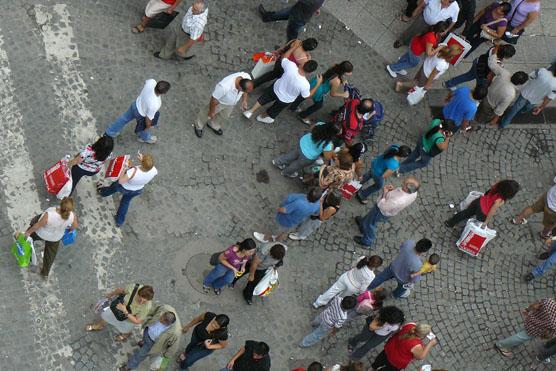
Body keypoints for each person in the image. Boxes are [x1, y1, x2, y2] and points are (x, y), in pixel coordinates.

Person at [243, 40, 319, 124]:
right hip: (286, 99)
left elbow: (284, 54)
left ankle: (250, 111)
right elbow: (307, 95)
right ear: (309, 72)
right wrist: (318, 83)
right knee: (274, 109)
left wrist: (289, 49)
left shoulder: (293, 58)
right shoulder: (305, 83)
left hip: (279, 75)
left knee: (265, 96)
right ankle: (261, 117)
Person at [354, 177, 420, 248]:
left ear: (407, 189)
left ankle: (367, 240)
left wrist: (385, 192)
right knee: (369, 217)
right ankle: (363, 224)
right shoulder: (414, 192)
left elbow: (382, 206)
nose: (402, 181)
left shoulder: (398, 200)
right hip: (388, 208)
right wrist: (392, 191)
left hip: (381, 211)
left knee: (370, 224)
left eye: (404, 183)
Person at [97, 153, 158, 227]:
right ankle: (119, 221)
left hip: (124, 187)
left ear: (142, 163)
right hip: (137, 189)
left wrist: (124, 169)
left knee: (113, 188)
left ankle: (103, 192)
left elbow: (121, 181)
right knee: (125, 203)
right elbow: (146, 168)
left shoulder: (133, 171)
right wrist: (143, 160)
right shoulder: (153, 170)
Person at [24, 197, 78, 278]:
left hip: (41, 233)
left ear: (61, 203)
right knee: (50, 255)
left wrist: (28, 232)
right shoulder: (72, 216)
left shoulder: (50, 214)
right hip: (55, 237)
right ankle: (45, 273)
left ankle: (23, 249)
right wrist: (69, 230)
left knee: (29, 236)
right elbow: (74, 226)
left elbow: (38, 225)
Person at [104, 79, 171, 144]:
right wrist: (148, 127)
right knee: (143, 127)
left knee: (123, 119)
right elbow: (148, 118)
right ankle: (145, 138)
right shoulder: (156, 104)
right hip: (141, 114)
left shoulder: (152, 82)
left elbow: (146, 83)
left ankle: (110, 132)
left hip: (135, 104)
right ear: (164, 93)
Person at [118, 307, 181, 371]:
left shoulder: (175, 334)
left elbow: (173, 349)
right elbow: (152, 310)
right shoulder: (164, 308)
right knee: (144, 339)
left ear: (167, 324)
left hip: (152, 343)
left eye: (162, 320)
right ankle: (144, 342)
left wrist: (164, 361)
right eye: (161, 316)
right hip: (147, 332)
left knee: (140, 355)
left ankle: (129, 366)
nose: (160, 318)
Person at [86, 284, 154, 342]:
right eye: (140, 299)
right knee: (106, 316)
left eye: (144, 301)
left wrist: (125, 311)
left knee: (125, 329)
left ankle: (125, 334)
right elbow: (120, 291)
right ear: (138, 293)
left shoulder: (147, 306)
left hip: (129, 319)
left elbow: (137, 321)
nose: (141, 302)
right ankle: (99, 326)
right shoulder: (133, 287)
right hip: (118, 308)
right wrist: (110, 295)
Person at [367, 239, 432, 299]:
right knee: (402, 289)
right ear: (424, 251)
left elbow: (401, 247)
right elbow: (414, 279)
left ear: (418, 242)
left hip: (393, 268)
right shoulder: (418, 265)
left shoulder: (409, 243)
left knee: (380, 277)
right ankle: (393, 295)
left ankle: (368, 287)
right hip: (403, 279)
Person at [194, 72, 253, 138]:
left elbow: (245, 91)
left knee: (223, 116)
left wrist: (244, 100)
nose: (246, 93)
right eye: (245, 91)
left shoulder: (247, 78)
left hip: (231, 104)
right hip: (219, 103)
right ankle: (198, 126)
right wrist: (212, 111)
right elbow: (214, 99)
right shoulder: (224, 87)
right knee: (206, 114)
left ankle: (212, 125)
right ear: (240, 87)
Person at [254, 188, 322, 243]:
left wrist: (278, 209)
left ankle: (265, 238)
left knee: (274, 229)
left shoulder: (299, 203)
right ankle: (276, 240)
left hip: (284, 219)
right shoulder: (318, 204)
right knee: (285, 231)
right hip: (296, 221)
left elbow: (284, 210)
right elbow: (317, 212)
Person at [313, 255, 383, 308]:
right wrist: (360, 293)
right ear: (376, 266)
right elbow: (363, 287)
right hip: (352, 287)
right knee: (341, 298)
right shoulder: (371, 276)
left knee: (333, 290)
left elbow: (354, 265)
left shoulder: (363, 258)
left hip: (346, 277)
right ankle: (333, 306)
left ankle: (318, 302)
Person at [445, 179, 520, 228]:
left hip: (479, 201)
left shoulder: (499, 185)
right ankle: (467, 232)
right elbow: (492, 211)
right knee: (477, 224)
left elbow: (488, 192)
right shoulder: (500, 200)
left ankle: (450, 222)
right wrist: (486, 222)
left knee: (466, 213)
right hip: (483, 212)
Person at [273, 121, 337, 178]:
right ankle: (286, 172)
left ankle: (278, 162)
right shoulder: (328, 144)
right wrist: (332, 148)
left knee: (291, 155)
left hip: (302, 143)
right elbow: (327, 157)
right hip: (308, 156)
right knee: (297, 165)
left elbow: (311, 129)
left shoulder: (320, 124)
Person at [443, 43, 516, 90]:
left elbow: (497, 46)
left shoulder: (494, 48)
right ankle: (476, 97)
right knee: (480, 88)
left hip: (477, 63)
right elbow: (493, 70)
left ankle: (448, 83)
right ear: (504, 55)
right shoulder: (497, 63)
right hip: (482, 74)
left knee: (467, 76)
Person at [395, 45, 462, 94]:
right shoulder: (443, 64)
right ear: (451, 56)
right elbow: (432, 74)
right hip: (426, 75)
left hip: (424, 66)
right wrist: (428, 85)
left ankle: (410, 86)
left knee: (416, 79)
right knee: (417, 83)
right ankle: (400, 84)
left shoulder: (442, 46)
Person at [253, 38, 318, 89]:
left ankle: (255, 84)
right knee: (279, 80)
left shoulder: (296, 41)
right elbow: (302, 68)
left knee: (271, 74)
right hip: (285, 70)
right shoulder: (305, 59)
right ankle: (269, 89)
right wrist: (309, 58)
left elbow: (283, 48)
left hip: (279, 62)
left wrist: (277, 52)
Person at [371, 322, 438, 370]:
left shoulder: (410, 325)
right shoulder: (416, 345)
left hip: (389, 349)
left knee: (379, 361)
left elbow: (399, 330)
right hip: (396, 361)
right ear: (422, 336)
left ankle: (372, 368)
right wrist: (430, 344)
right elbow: (420, 357)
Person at [394, 0, 460, 48]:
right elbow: (424, 2)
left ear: (450, 2)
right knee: (412, 30)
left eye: (444, 1)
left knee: (422, 37)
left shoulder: (455, 8)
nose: (441, 1)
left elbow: (454, 21)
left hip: (434, 27)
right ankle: (401, 40)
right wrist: (416, 10)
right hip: (423, 19)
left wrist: (446, 31)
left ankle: (410, 44)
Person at [257, 0, 325, 41]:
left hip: (298, 18)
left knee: (291, 35)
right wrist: (316, 7)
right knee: (282, 13)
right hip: (298, 10)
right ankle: (266, 17)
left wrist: (315, 7)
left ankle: (288, 49)